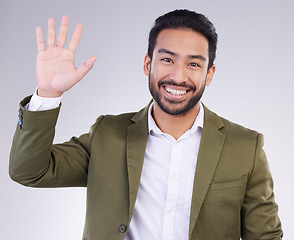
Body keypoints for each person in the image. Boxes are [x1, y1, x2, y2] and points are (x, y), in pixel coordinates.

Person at [9, 9, 283, 240]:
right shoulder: (107, 134)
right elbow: (29, 171)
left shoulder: (245, 146)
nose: (178, 76)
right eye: (167, 60)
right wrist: (48, 94)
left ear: (209, 74)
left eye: (194, 64)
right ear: (147, 64)